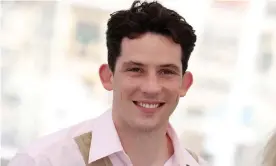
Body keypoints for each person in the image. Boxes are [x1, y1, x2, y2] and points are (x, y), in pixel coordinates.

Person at [8, 1, 207, 165]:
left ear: (185, 84)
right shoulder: (44, 160)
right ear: (107, 76)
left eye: (166, 72)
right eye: (135, 70)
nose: (151, 87)